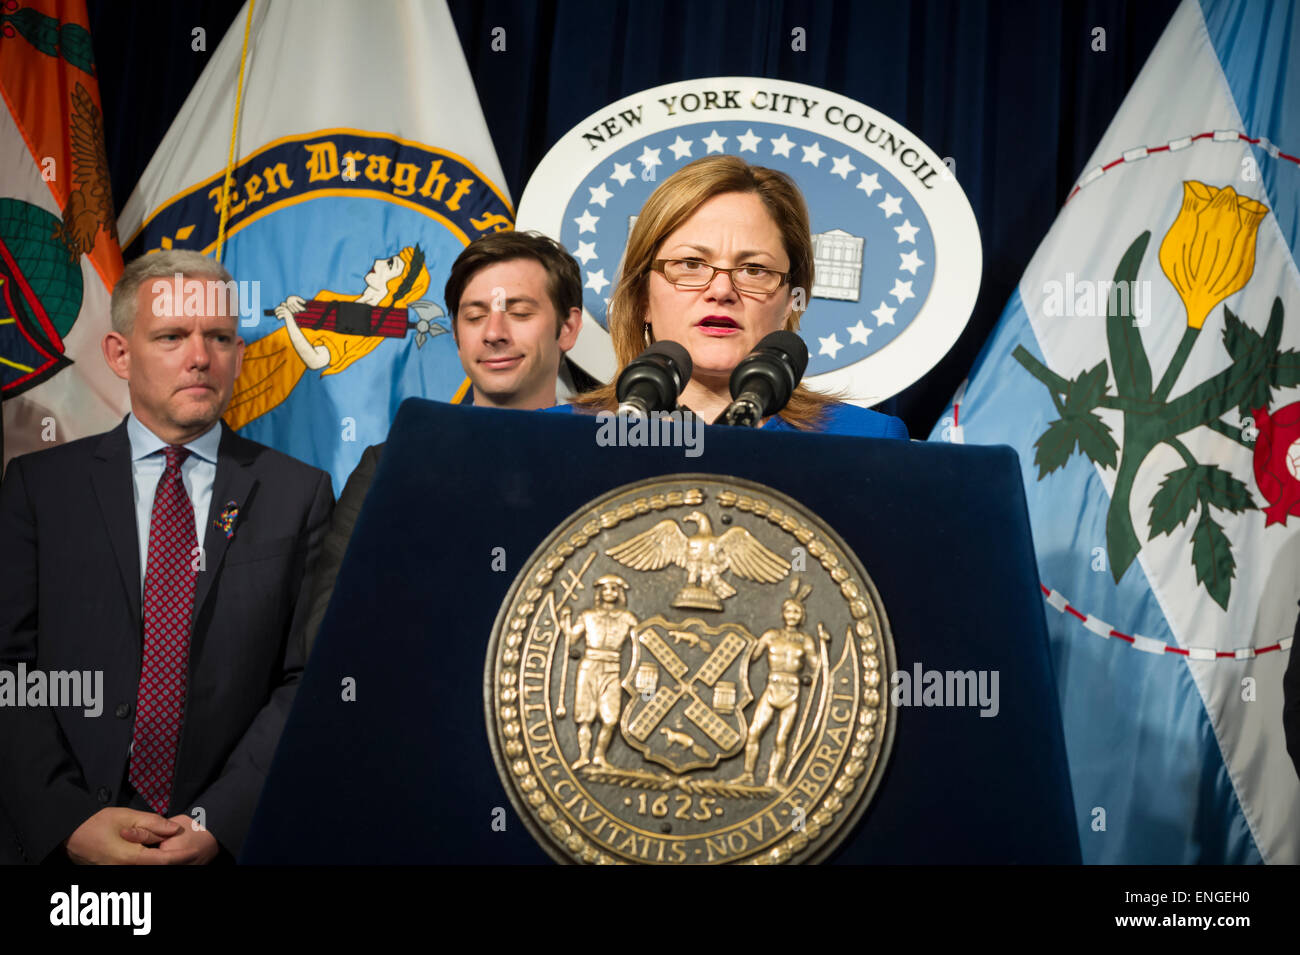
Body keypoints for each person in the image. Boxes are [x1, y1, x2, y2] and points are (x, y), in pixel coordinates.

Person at [0, 249, 332, 864]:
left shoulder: (300, 494)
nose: (200, 357)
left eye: (220, 337)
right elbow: (8, 670)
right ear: (120, 354)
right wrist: (69, 819)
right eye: (173, 336)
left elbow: (304, 679)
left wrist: (214, 821)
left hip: (224, 845)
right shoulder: (39, 488)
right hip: (57, 850)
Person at [298, 230, 583, 656]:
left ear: (567, 328)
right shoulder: (391, 465)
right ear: (455, 333)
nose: (494, 333)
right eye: (474, 316)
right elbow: (324, 634)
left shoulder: (605, 460)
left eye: (520, 313)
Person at [567, 154, 908, 437]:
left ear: (791, 300)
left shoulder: (867, 440)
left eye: (755, 270)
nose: (721, 291)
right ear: (642, 297)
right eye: (690, 263)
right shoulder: (556, 435)